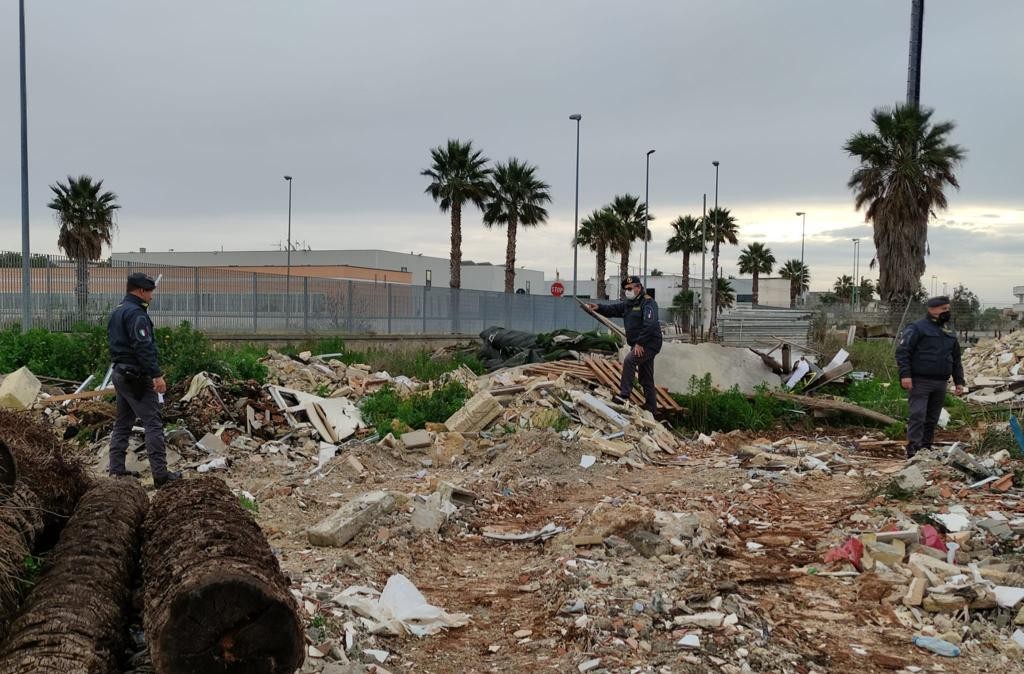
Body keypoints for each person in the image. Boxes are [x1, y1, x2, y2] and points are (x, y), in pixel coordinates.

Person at [107, 272, 181, 486]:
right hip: (135, 376)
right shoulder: (136, 314)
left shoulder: (118, 311)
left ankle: (117, 471)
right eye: (149, 292)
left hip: (120, 373)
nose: (151, 296)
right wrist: (156, 375)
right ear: (140, 291)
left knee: (122, 423)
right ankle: (161, 475)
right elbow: (143, 347)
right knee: (153, 423)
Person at [895, 295, 965, 459]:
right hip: (920, 381)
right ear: (932, 309)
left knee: (932, 418)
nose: (947, 312)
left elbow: (956, 358)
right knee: (918, 415)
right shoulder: (917, 327)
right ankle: (913, 448)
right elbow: (903, 352)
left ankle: (926, 447)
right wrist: (905, 375)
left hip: (940, 382)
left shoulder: (949, 331)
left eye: (948, 309)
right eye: (943, 309)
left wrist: (959, 381)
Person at [584, 275, 663, 414]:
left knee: (629, 361)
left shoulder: (648, 303)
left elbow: (650, 324)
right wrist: (598, 307)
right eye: (626, 289)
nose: (627, 291)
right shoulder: (628, 304)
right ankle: (652, 407)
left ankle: (624, 395)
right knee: (645, 376)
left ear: (638, 288)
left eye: (630, 289)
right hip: (639, 343)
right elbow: (613, 309)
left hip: (649, 343)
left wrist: (640, 343)